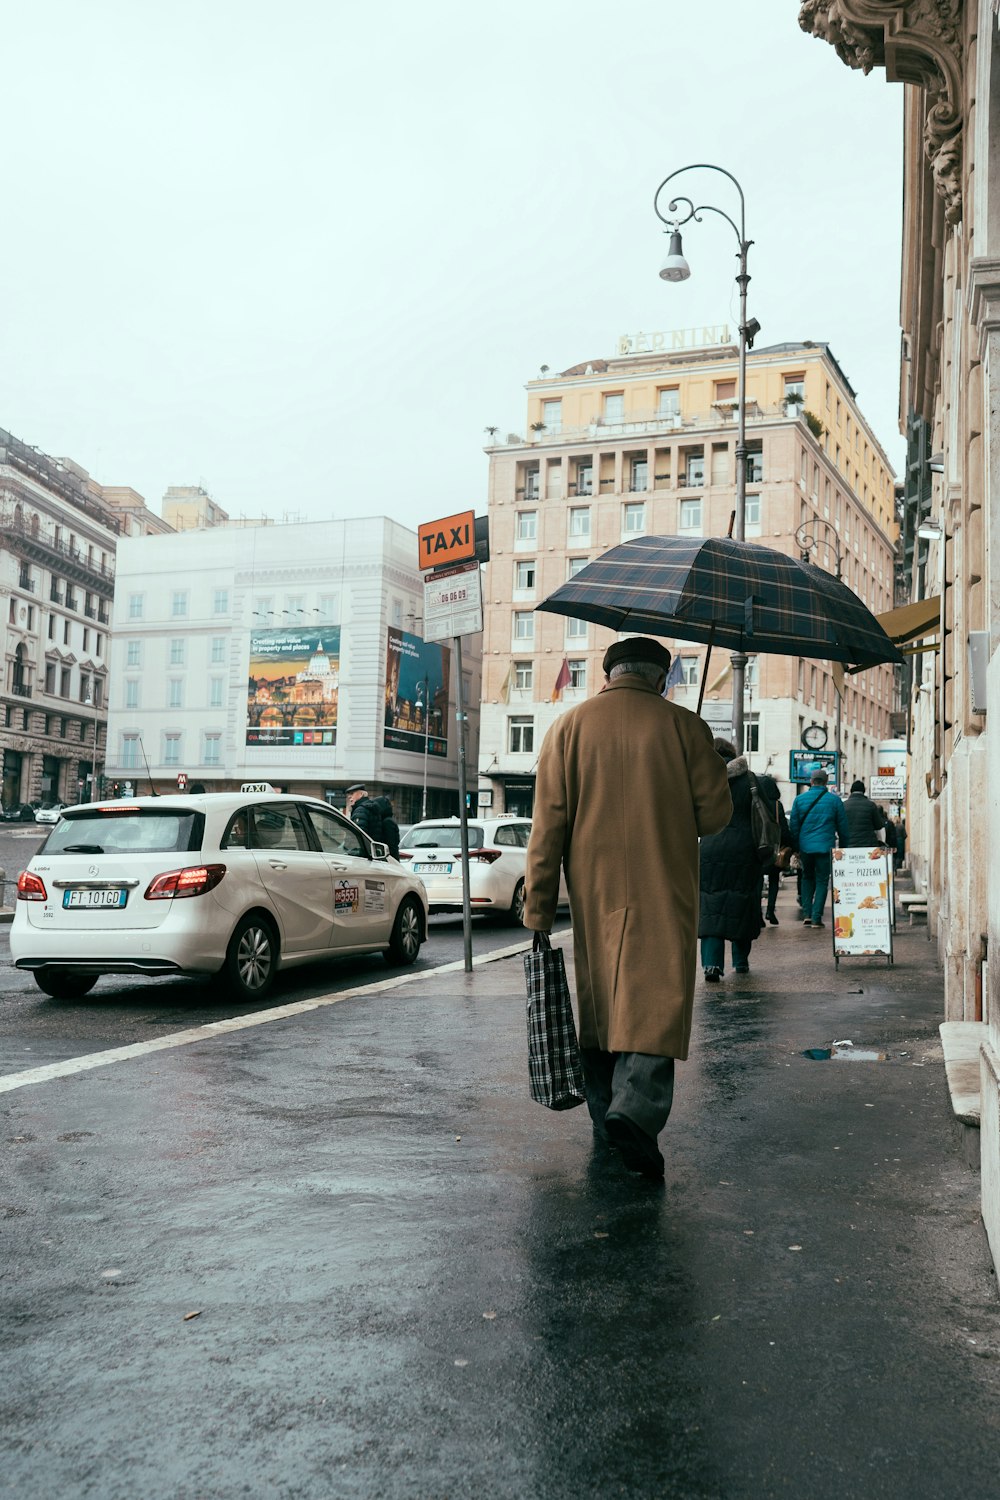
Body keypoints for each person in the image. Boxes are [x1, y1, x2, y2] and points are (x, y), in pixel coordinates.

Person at [524, 637, 732, 1180]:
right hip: (664, 887)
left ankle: (606, 1120)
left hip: (594, 894)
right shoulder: (686, 728)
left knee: (599, 1010)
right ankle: (634, 1113)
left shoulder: (567, 729)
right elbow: (713, 817)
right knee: (654, 1005)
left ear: (608, 674)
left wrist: (539, 911)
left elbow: (546, 829)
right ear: (663, 678)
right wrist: (706, 760)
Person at [699, 740, 766, 980]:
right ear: (733, 754)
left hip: (710, 847)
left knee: (710, 905)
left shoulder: (702, 778)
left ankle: (711, 964)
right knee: (742, 902)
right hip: (744, 849)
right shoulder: (749, 779)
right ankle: (741, 961)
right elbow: (764, 811)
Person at [788, 769, 849, 928]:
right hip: (825, 846)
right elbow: (843, 827)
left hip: (805, 847)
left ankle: (807, 914)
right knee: (822, 881)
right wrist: (843, 848)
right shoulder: (834, 801)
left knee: (807, 878)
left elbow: (793, 826)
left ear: (811, 781)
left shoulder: (799, 800)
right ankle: (816, 917)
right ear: (826, 781)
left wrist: (796, 847)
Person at [762, 787, 791, 926]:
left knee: (757, 880)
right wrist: (788, 845)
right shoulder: (776, 805)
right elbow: (784, 828)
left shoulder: (756, 801)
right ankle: (770, 910)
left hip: (758, 848)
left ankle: (757, 914)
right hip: (774, 848)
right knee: (774, 880)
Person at [841, 778, 887, 847]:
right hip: (868, 845)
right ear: (864, 791)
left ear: (851, 791)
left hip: (848, 845)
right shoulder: (871, 805)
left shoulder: (843, 806)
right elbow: (879, 827)